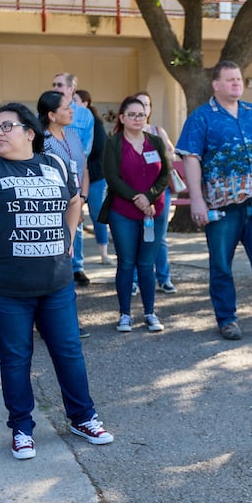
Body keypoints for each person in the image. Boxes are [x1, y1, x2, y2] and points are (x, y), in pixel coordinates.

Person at [0, 102, 115, 460]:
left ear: (30, 133)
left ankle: (83, 417)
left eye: (7, 126)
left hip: (56, 281)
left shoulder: (55, 164)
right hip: (4, 286)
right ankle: (22, 428)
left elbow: (75, 201)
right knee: (16, 356)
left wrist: (70, 236)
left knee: (68, 351)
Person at [176, 60, 252, 341]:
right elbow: (190, 158)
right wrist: (196, 200)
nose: (236, 84)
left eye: (239, 79)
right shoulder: (201, 117)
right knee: (221, 266)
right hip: (220, 209)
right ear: (216, 85)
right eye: (230, 80)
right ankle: (227, 320)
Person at [100, 95, 170, 333]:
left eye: (141, 114)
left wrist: (148, 197)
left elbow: (165, 176)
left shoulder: (156, 142)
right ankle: (125, 315)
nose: (137, 118)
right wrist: (136, 198)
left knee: (146, 263)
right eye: (132, 114)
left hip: (154, 211)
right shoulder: (114, 143)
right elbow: (111, 176)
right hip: (124, 211)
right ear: (122, 117)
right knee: (127, 263)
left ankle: (150, 313)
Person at [51, 72, 93, 285]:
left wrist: (82, 196)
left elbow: (83, 156)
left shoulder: (85, 116)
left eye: (60, 85)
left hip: (73, 181)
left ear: (71, 90)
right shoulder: (46, 111)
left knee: (74, 224)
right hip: (50, 182)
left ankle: (77, 267)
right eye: (54, 84)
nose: (56, 88)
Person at [135, 90, 178, 293]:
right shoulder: (126, 133)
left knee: (159, 236)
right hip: (135, 193)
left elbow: (172, 154)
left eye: (147, 104)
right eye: (140, 104)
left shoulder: (158, 131)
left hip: (160, 191)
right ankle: (134, 280)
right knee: (136, 235)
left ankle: (163, 277)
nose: (144, 108)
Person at [74, 88, 110, 266]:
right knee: (75, 216)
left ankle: (104, 253)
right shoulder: (69, 121)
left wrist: (82, 156)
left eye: (75, 100)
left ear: (85, 103)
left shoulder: (95, 122)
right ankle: (76, 260)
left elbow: (100, 148)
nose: (72, 104)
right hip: (74, 177)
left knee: (97, 214)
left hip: (95, 176)